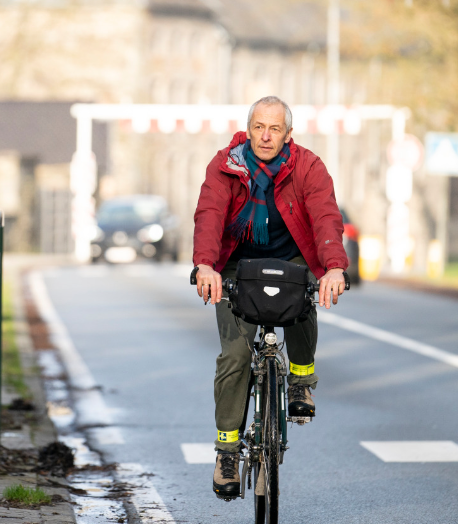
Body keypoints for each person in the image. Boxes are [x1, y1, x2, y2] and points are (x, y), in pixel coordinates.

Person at [192, 95, 348, 500]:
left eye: (274, 129)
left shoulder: (308, 167)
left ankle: (300, 381)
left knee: (303, 299)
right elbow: (209, 214)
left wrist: (332, 266)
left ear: (288, 134)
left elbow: (325, 215)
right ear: (248, 129)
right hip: (236, 264)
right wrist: (205, 265)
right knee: (237, 356)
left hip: (290, 257)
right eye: (259, 127)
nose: (265, 136)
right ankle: (227, 452)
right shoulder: (226, 165)